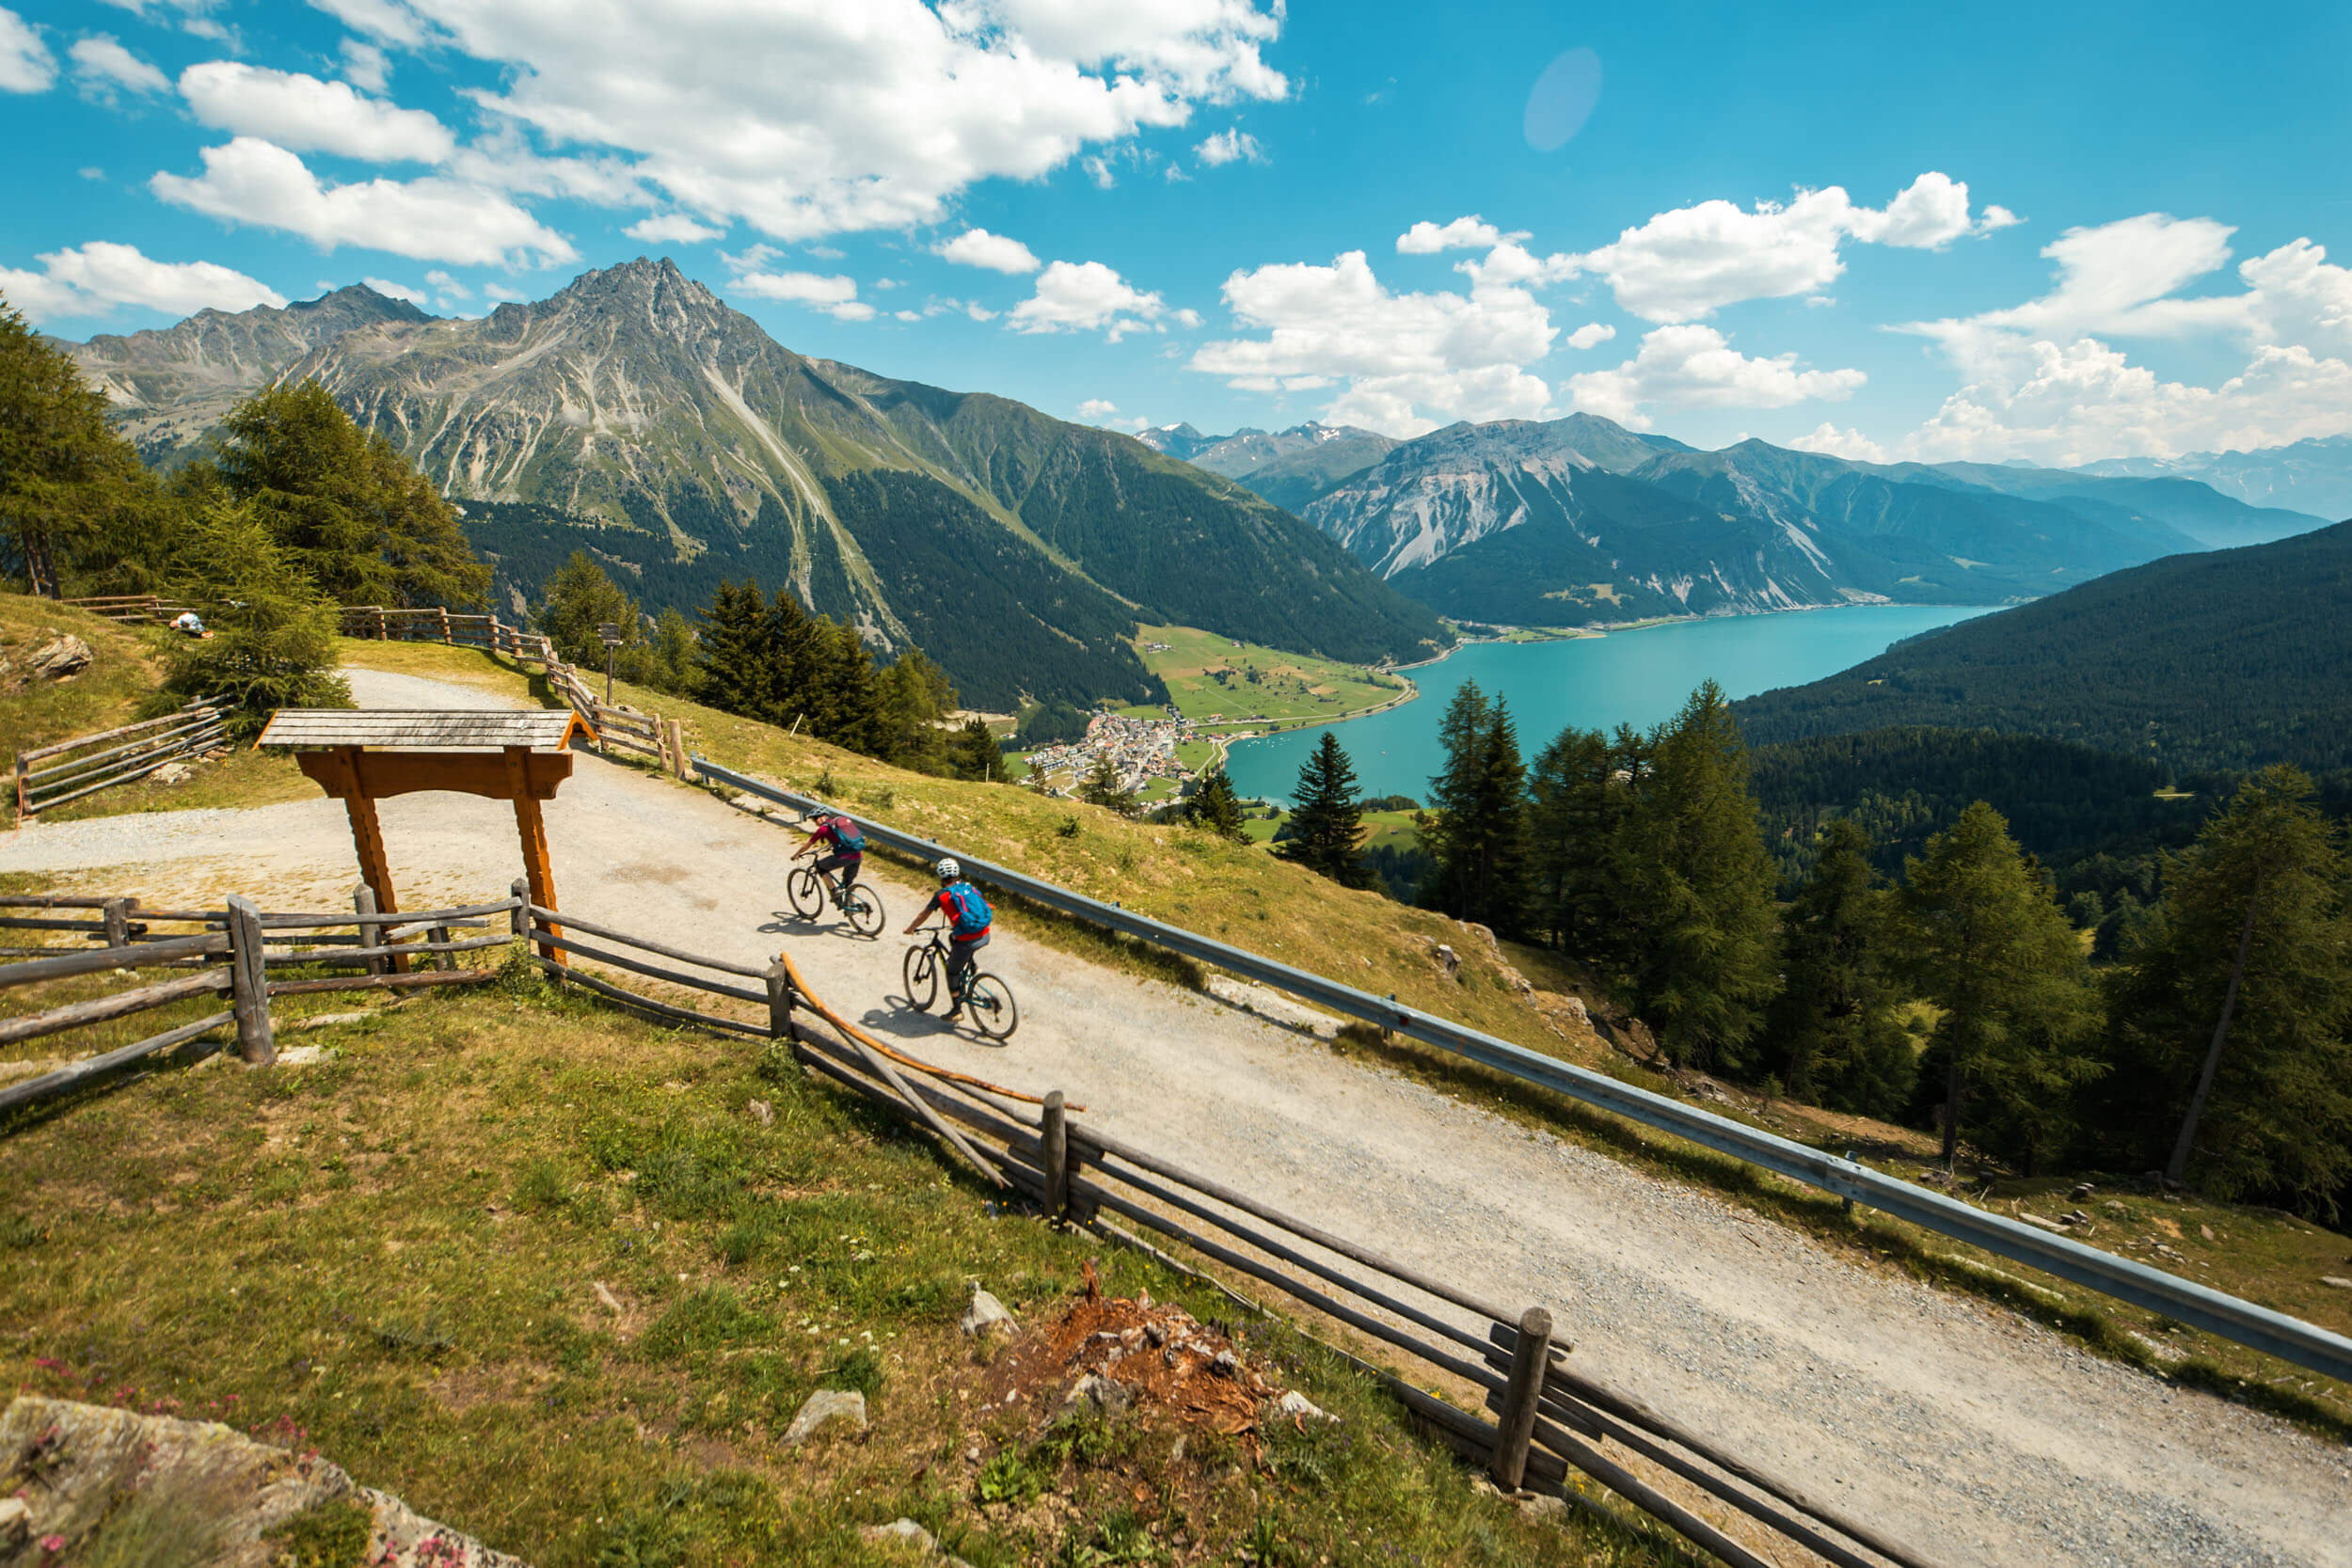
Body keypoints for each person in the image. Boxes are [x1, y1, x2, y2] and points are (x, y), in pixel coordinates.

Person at [903, 857, 993, 1020]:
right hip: (985, 933)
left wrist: (911, 929)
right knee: (953, 937)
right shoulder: (967, 886)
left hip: (968, 941)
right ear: (957, 873)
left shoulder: (941, 895)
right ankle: (973, 968)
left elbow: (924, 914)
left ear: (940, 876)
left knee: (951, 972)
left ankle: (957, 1010)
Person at [794, 809, 865, 904]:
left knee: (820, 867)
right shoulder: (837, 825)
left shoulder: (823, 829)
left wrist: (796, 854)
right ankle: (852, 909)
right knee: (848, 883)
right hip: (858, 855)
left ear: (821, 818)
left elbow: (807, 845)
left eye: (815, 820)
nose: (815, 823)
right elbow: (842, 840)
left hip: (845, 857)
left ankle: (834, 890)